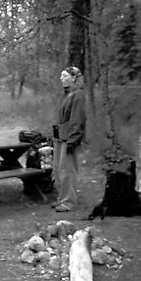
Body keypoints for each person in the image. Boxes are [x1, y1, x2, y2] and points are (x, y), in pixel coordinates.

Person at [51, 66, 86, 212]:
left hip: (69, 138)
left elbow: (77, 118)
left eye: (65, 76)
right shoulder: (67, 94)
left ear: (74, 78)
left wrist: (73, 139)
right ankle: (62, 198)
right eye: (61, 75)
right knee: (59, 169)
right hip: (61, 137)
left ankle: (69, 201)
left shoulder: (78, 95)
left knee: (67, 170)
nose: (61, 78)